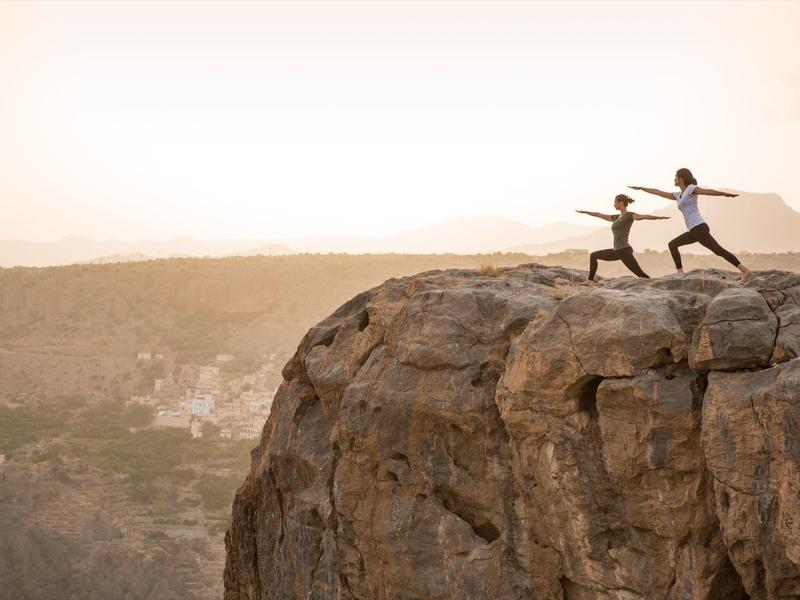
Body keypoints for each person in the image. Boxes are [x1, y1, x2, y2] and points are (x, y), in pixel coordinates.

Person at [629, 168, 752, 281]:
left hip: (699, 227)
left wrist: (725, 194)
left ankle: (744, 270)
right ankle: (680, 272)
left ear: (681, 178)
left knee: (718, 250)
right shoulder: (678, 195)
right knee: (673, 244)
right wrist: (641, 188)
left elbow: (707, 192)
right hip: (694, 230)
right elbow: (658, 192)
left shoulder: (691, 189)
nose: (674, 179)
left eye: (675, 177)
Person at [576, 194, 668, 286]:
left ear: (621, 203)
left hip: (624, 251)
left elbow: (643, 216)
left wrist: (658, 217)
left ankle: (658, 285)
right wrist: (585, 212)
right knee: (594, 255)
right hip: (616, 251)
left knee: (640, 274)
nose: (614, 204)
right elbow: (599, 215)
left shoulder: (629, 215)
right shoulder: (616, 217)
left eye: (615, 202)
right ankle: (590, 281)